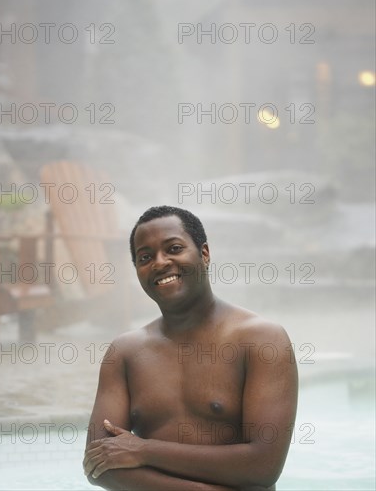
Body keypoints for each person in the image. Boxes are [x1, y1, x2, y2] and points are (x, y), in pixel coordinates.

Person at [83, 206, 298, 491]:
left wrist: (144, 450)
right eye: (145, 257)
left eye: (173, 248)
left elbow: (262, 466)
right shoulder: (124, 352)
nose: (160, 263)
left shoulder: (262, 340)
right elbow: (98, 465)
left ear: (204, 254)